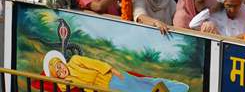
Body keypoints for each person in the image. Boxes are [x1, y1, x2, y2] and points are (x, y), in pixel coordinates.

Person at [43, 50, 188, 92]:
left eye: (60, 66)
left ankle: (175, 88)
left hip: (111, 77)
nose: (61, 70)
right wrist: (61, 79)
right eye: (57, 70)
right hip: (104, 88)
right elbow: (64, 87)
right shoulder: (64, 83)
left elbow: (95, 64)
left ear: (62, 62)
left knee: (140, 85)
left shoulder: (74, 60)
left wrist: (113, 70)